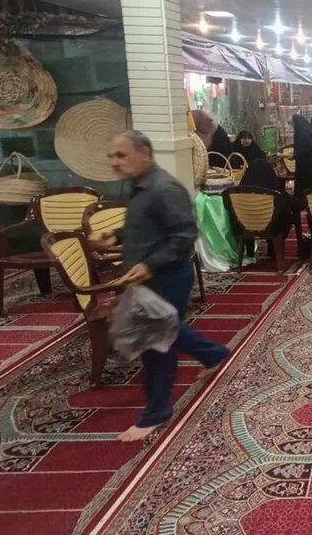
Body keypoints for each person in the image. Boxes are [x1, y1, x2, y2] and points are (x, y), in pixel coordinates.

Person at [97, 130, 229, 442]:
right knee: (165, 330)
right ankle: (214, 354)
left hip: (166, 275)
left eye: (121, 155)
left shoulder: (164, 188)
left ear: (144, 153)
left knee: (156, 340)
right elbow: (148, 226)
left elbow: (184, 235)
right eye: (112, 156)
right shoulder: (143, 186)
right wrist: (118, 235)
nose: (115, 162)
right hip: (149, 275)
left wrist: (149, 264)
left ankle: (156, 412)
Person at [240, 156, 302, 256]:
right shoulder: (273, 189)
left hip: (246, 225)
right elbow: (289, 202)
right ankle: (275, 249)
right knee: (284, 215)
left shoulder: (240, 191)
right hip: (270, 226)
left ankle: (250, 253)